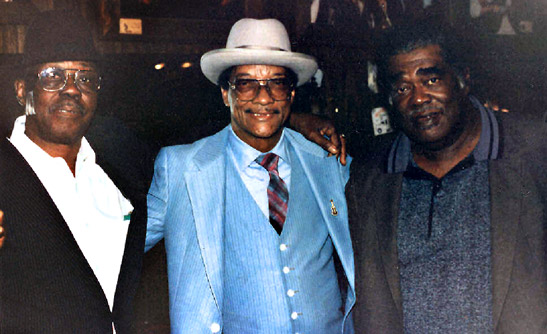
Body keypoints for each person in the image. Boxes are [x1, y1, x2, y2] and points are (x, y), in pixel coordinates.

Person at [145, 18, 355, 333]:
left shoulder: (328, 160)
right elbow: (119, 247)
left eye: (277, 82)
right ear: (226, 94)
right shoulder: (181, 169)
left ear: (292, 94)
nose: (263, 96)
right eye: (245, 83)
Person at [346, 21, 546, 333]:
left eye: (432, 79)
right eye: (402, 88)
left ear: (463, 79)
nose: (418, 98)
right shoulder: (368, 177)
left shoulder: (534, 151)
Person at [0, 11, 149, 333]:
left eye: (85, 78)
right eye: (53, 76)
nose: (71, 90)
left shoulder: (120, 177)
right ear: (22, 89)